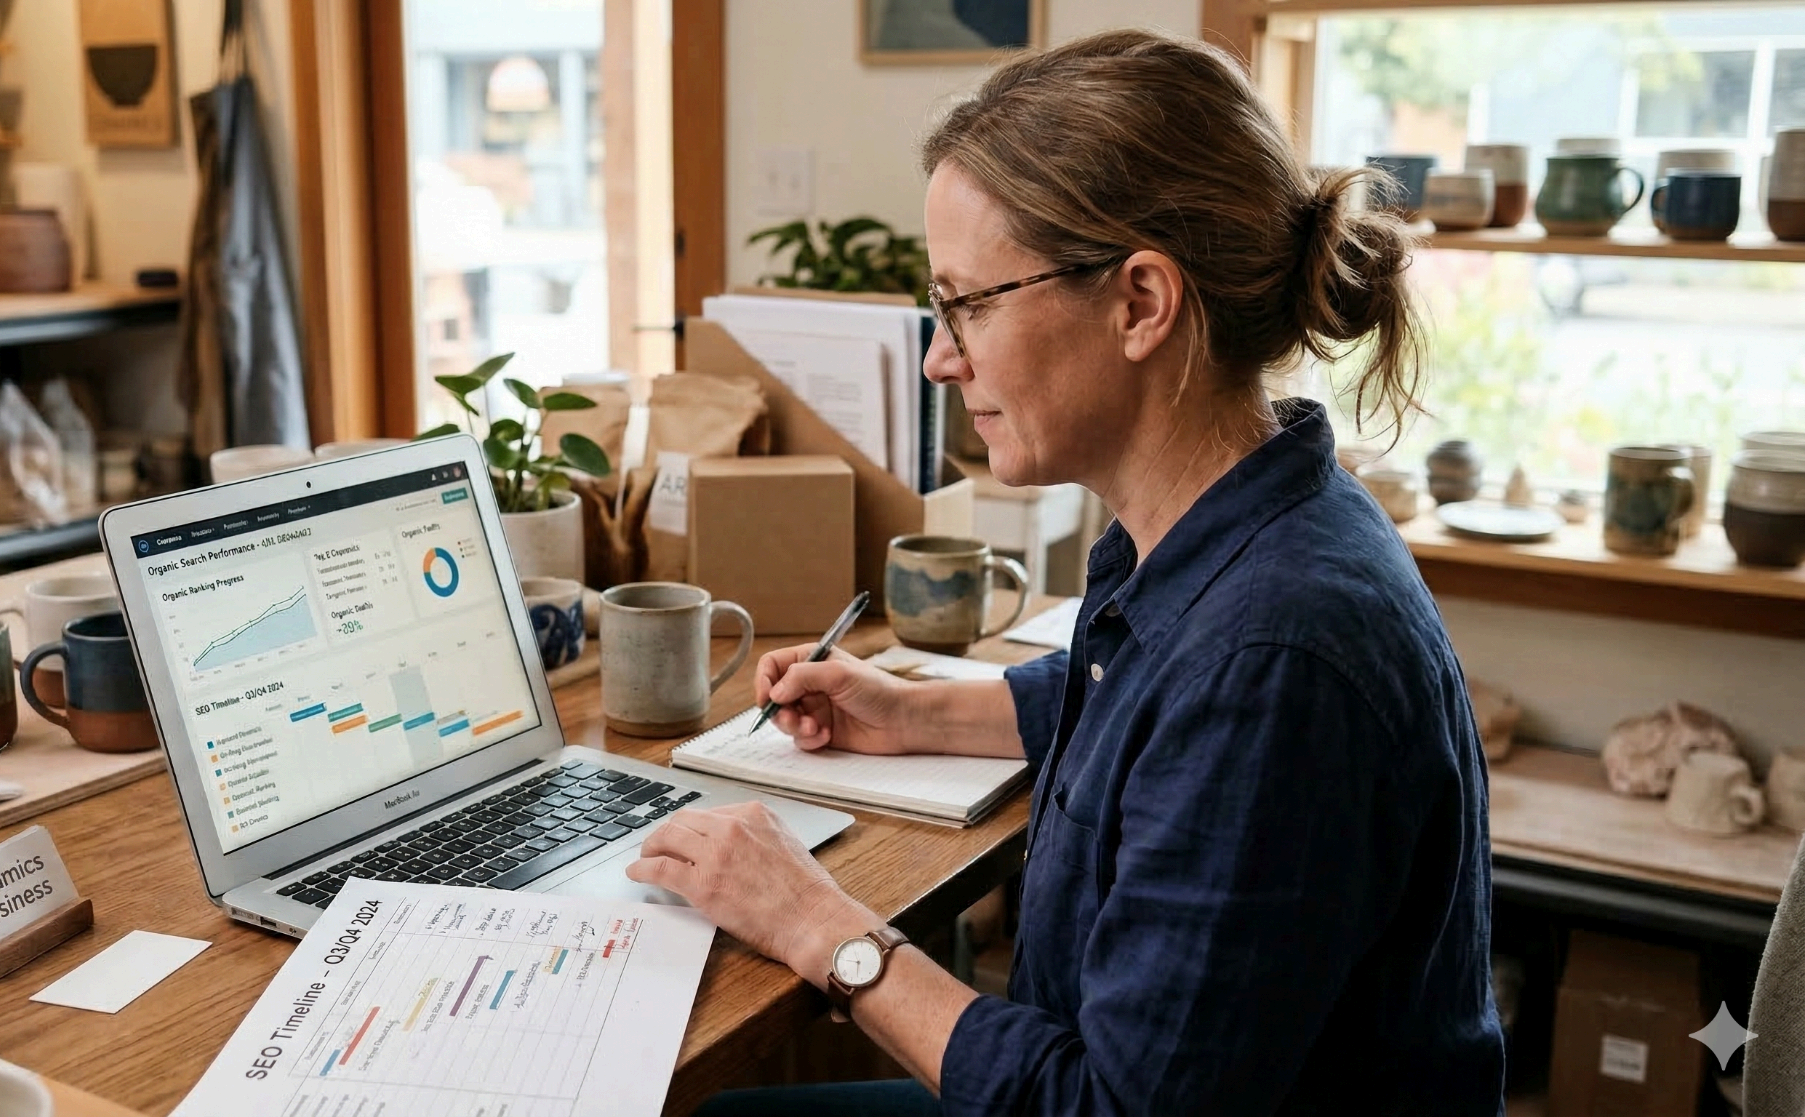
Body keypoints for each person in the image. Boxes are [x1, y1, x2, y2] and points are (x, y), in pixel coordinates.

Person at [626, 27, 1506, 1117]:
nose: (944, 356)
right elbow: (1136, 695)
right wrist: (910, 715)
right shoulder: (1220, 520)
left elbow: (1108, 1109)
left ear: (1140, 302)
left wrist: (819, 926)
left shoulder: (1276, 655)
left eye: (968, 304)